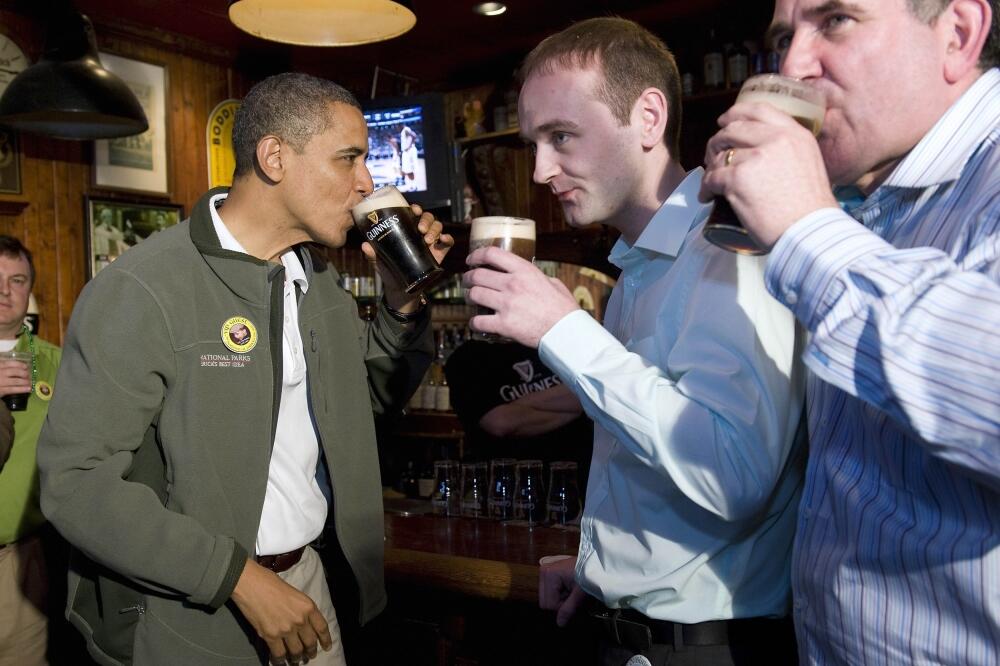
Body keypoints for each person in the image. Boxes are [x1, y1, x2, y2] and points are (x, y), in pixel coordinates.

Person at [37, 73, 451, 666]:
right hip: (190, 607)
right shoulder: (142, 288)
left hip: (310, 582)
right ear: (275, 157)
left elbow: (364, 407)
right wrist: (238, 579)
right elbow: (75, 483)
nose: (368, 183)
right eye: (348, 159)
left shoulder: (321, 282)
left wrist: (402, 302)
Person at [464, 18, 806, 665]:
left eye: (561, 136)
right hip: (629, 629)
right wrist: (604, 575)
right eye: (534, 142)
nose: (540, 170)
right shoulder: (642, 269)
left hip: (707, 648)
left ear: (648, 116)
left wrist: (564, 331)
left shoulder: (728, 249)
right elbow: (651, 465)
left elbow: (734, 476)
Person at [698, 0, 1000, 663]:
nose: (794, 64)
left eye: (835, 20)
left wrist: (808, 228)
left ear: (958, 33)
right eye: (785, 35)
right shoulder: (874, 207)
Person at [0, 236, 63, 666]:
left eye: (17, 280)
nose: (4, 291)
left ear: (29, 291)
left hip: (20, 558)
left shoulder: (57, 363)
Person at [444, 340, 593, 493]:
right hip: (505, 492)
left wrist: (517, 406)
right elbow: (500, 422)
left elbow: (590, 394)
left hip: (578, 488)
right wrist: (575, 409)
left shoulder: (563, 343)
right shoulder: (468, 358)